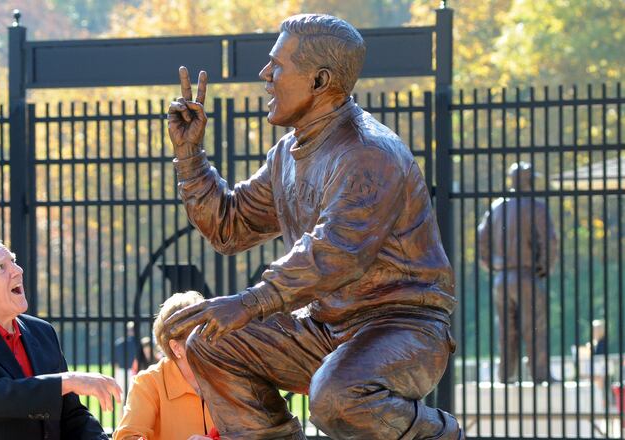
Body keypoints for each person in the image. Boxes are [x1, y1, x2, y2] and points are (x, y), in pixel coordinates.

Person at [165, 14, 461, 440]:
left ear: (320, 81)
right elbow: (230, 227)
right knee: (212, 343)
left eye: (277, 65)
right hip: (324, 327)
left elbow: (336, 252)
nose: (265, 76)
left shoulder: (368, 153)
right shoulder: (288, 153)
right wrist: (190, 157)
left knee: (337, 397)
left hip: (401, 325)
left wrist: (250, 302)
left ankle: (439, 435)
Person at [0, 233, 122, 439]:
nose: (18, 270)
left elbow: (71, 416)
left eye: (12, 261)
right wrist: (65, 381)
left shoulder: (42, 332)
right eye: (1, 267)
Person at [477, 161, 558, 384]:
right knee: (534, 326)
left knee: (505, 328)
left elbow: (482, 238)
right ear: (529, 180)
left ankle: (505, 375)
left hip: (502, 278)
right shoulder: (536, 207)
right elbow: (549, 241)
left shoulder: (497, 207)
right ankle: (540, 374)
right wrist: (544, 265)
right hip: (527, 274)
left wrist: (490, 263)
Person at [113, 291, 217, 440]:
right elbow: (128, 437)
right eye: (200, 337)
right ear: (176, 348)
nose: (212, 342)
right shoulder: (149, 383)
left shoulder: (230, 377)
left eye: (211, 333)